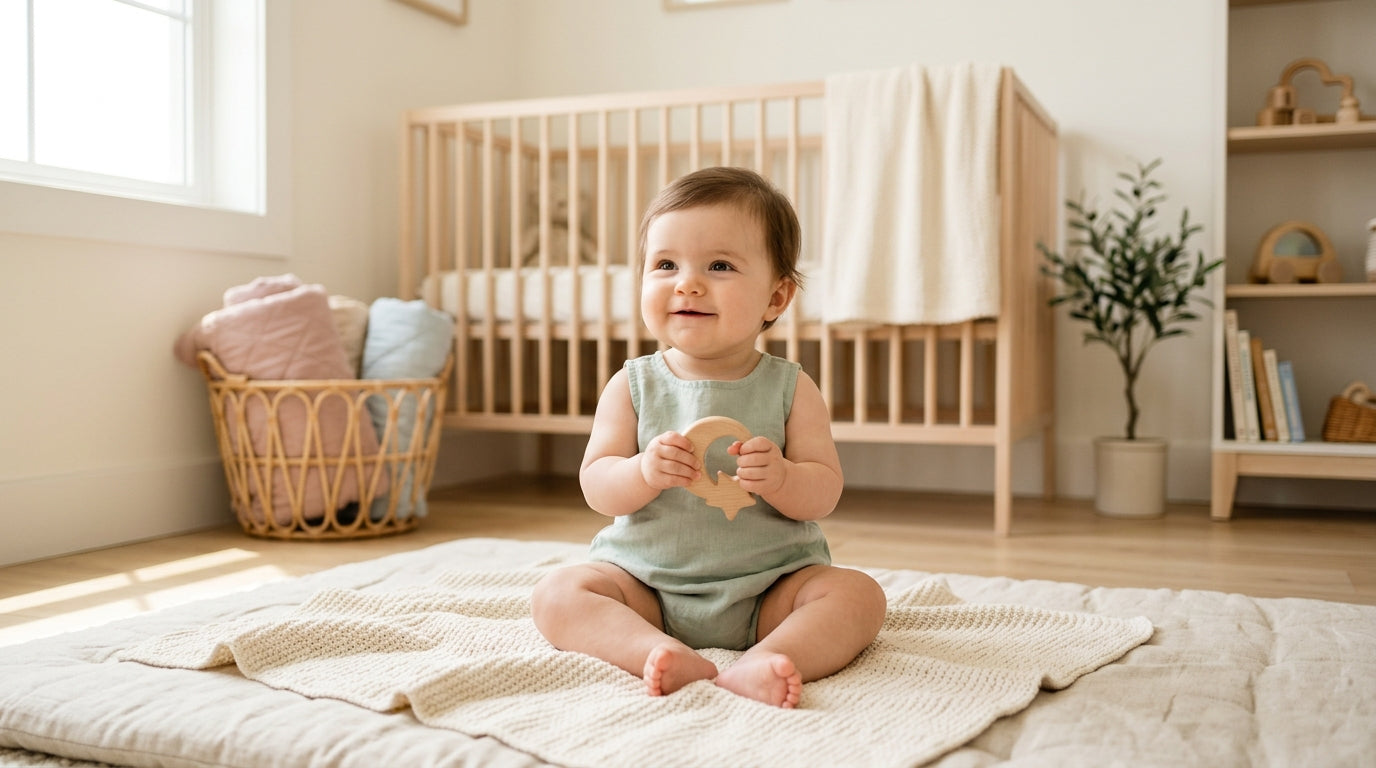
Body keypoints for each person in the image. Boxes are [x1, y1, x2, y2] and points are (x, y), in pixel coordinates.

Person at [531, 166, 887, 709]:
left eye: (719, 265)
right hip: (644, 585)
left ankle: (771, 656)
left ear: (776, 298)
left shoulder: (792, 388)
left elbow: (825, 490)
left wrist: (785, 477)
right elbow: (598, 485)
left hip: (770, 589)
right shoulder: (633, 385)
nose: (687, 282)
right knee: (556, 594)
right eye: (665, 264)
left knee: (859, 595)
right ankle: (652, 650)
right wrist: (642, 471)